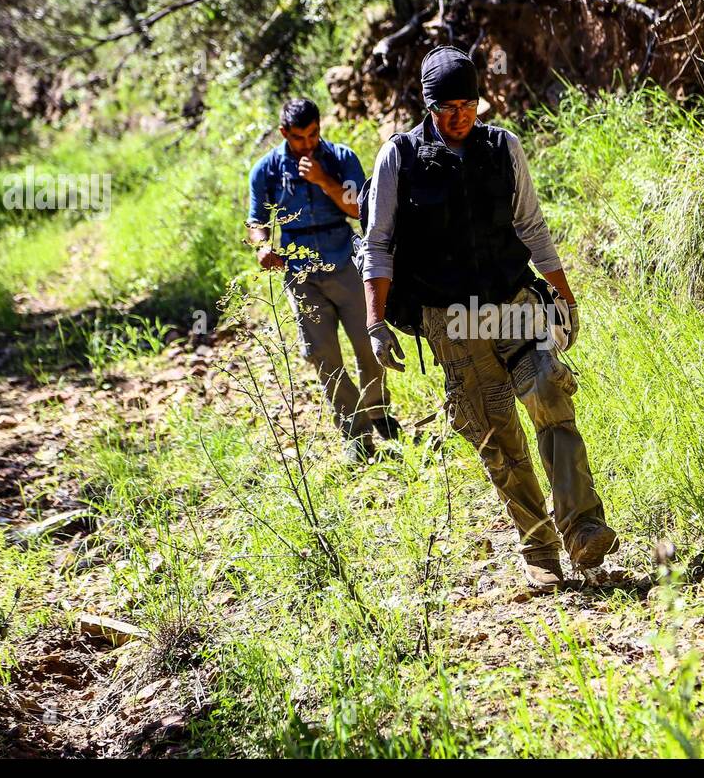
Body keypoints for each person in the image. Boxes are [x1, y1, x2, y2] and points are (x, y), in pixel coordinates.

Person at [361, 46, 619, 591]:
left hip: (513, 305)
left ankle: (584, 526)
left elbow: (533, 227)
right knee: (498, 438)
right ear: (427, 106)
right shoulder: (399, 158)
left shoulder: (503, 147)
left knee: (549, 390)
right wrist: (375, 323)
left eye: (469, 103)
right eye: (447, 107)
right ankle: (539, 549)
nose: (460, 116)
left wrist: (565, 298)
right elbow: (377, 245)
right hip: (451, 322)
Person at [246, 97, 401, 464]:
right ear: (285, 134)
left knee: (367, 343)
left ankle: (379, 411)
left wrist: (322, 179)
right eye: (300, 137)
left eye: (314, 133)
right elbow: (256, 220)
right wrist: (262, 247)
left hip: (344, 258)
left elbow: (359, 209)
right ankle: (354, 432)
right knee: (321, 354)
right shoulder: (266, 170)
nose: (308, 143)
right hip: (300, 267)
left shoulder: (340, 158)